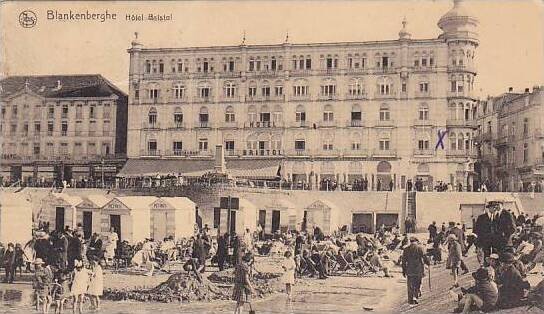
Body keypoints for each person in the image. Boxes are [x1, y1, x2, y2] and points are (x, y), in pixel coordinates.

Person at [402, 237, 430, 305]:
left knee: (410, 285)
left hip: (410, 269)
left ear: (410, 241)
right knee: (418, 283)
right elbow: (424, 257)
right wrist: (428, 263)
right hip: (418, 269)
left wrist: (404, 270)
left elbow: (403, 261)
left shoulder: (406, 249)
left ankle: (411, 300)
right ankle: (415, 296)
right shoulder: (420, 248)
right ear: (416, 241)